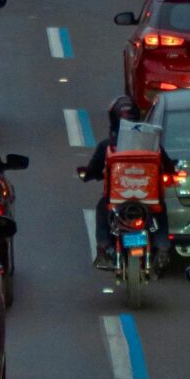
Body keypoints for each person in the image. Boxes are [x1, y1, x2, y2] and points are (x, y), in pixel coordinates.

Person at [77, 94, 141, 264]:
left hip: (119, 197)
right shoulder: (150, 142)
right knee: (161, 208)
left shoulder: (107, 146)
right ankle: (163, 248)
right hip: (146, 197)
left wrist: (88, 175)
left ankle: (103, 246)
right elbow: (167, 163)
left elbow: (93, 168)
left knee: (102, 207)